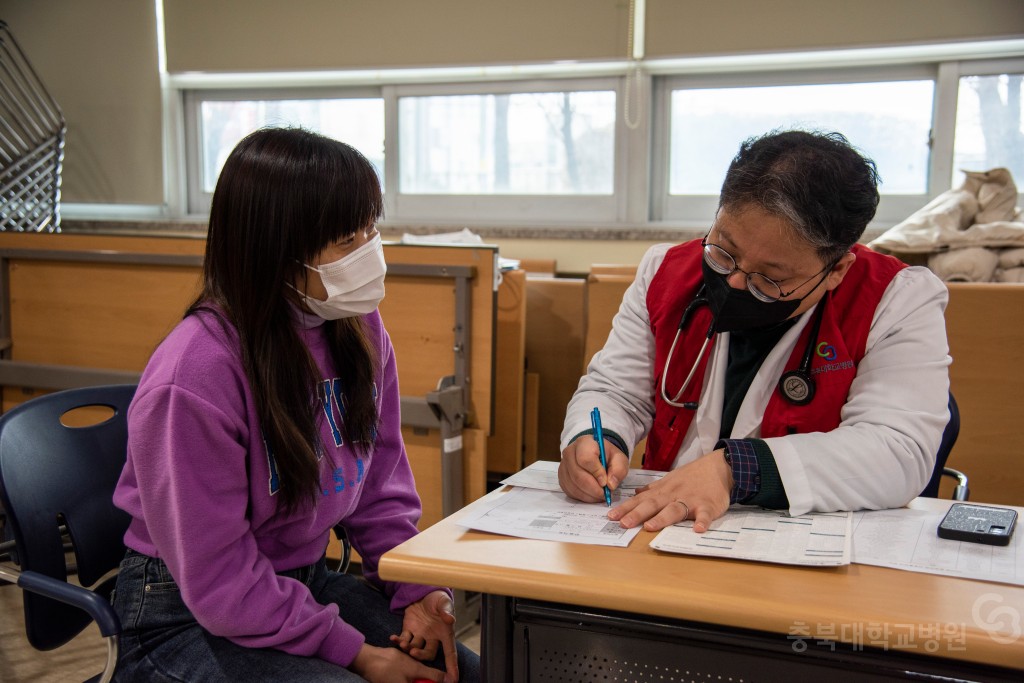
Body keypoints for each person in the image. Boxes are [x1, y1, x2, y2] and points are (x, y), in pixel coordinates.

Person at [110, 127, 480, 683]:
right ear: (275, 252)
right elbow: (219, 579)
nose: (370, 253)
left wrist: (419, 589)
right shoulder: (194, 373)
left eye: (370, 229)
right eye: (345, 239)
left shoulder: (355, 328)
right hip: (181, 613)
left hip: (295, 583)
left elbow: (379, 488)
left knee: (465, 675)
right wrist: (357, 653)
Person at [558, 129, 951, 534]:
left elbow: (900, 452)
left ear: (836, 270)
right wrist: (596, 439)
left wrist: (735, 470)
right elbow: (616, 391)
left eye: (770, 278)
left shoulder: (897, 299)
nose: (734, 284)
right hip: (663, 534)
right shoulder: (666, 272)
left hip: (801, 545)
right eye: (724, 252)